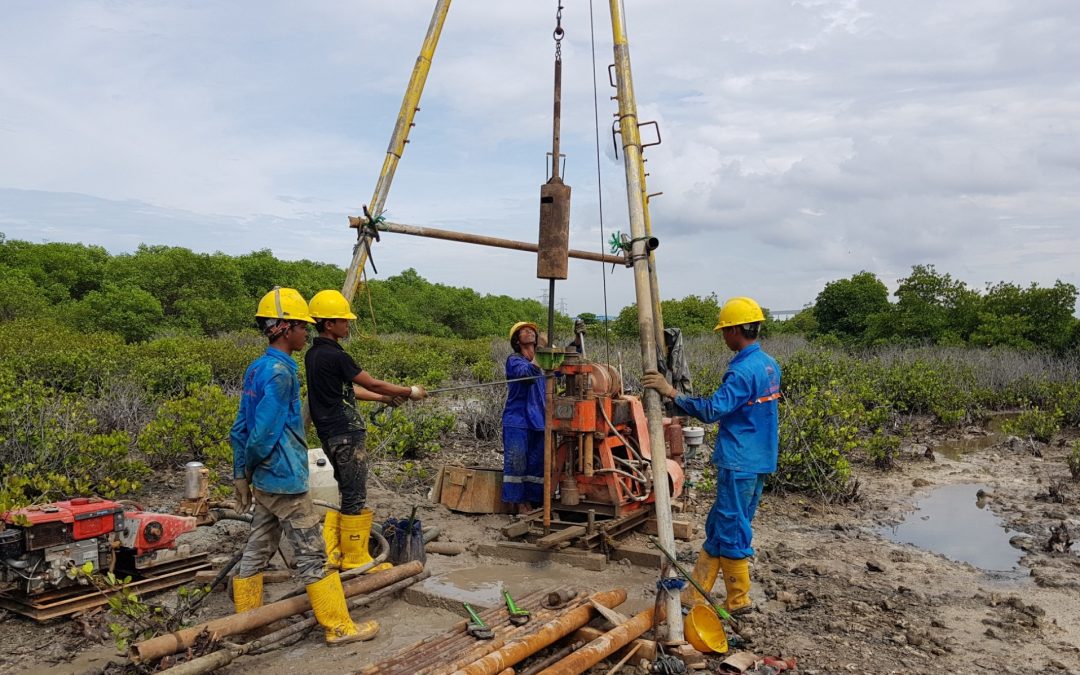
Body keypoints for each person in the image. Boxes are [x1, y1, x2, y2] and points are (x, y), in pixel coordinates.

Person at [230, 287, 374, 645]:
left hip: (265, 481)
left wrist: (241, 475)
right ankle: (339, 626)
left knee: (258, 548)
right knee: (313, 555)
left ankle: (248, 623)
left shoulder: (256, 368)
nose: (306, 334)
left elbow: (239, 428)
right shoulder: (282, 372)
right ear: (283, 328)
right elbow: (261, 435)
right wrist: (246, 470)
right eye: (300, 327)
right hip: (285, 479)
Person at [643, 296, 780, 615]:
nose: (723, 337)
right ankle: (696, 592)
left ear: (735, 331)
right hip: (760, 457)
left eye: (724, 331)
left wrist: (671, 391)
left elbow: (712, 409)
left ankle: (738, 601)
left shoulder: (742, 372)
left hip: (740, 460)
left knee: (732, 526)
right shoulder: (770, 364)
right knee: (720, 523)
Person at [305, 289, 428, 575]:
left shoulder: (314, 354)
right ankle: (353, 557)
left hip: (330, 434)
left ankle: (336, 549)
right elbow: (372, 383)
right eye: (343, 321)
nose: (348, 325)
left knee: (346, 491)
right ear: (328, 324)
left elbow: (349, 392)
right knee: (355, 495)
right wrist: (409, 391)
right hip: (346, 433)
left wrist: (386, 399)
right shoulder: (337, 356)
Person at [502, 321, 546, 514]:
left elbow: (564, 367)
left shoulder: (544, 362)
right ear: (517, 340)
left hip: (540, 420)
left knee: (537, 463)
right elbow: (528, 374)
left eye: (532, 331)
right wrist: (542, 352)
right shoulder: (515, 360)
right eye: (524, 331)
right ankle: (518, 504)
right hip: (517, 420)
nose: (530, 333)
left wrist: (577, 342)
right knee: (516, 462)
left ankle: (534, 501)